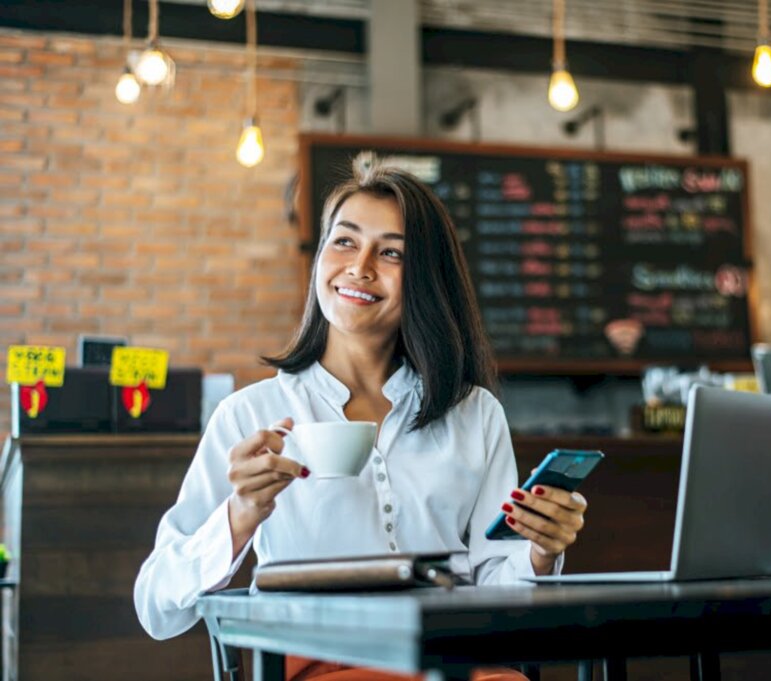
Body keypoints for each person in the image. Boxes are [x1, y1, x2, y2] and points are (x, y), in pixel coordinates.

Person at [134, 158, 590, 681]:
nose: (360, 266)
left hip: (456, 657)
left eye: (391, 252)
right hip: (320, 662)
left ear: (425, 279)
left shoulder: (474, 413)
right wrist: (239, 516)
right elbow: (156, 608)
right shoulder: (249, 415)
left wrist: (539, 551)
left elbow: (498, 593)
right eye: (344, 241)